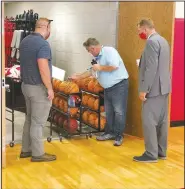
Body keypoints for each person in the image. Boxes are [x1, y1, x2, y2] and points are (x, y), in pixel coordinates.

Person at [70, 38, 129, 146]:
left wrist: (100, 67)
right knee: (109, 111)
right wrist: (78, 77)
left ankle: (119, 135)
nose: (89, 53)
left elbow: (114, 66)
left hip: (119, 86)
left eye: (89, 50)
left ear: (93, 48)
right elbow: (91, 71)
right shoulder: (96, 57)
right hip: (107, 88)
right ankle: (109, 133)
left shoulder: (109, 51)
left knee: (119, 112)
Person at [133, 19, 171, 162]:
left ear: (145, 29)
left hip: (153, 90)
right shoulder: (163, 41)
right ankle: (161, 152)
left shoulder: (151, 42)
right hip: (164, 88)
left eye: (139, 31)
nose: (139, 34)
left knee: (149, 122)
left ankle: (150, 154)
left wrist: (144, 89)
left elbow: (151, 69)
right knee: (161, 122)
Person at [19, 18, 56, 162]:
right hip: (38, 89)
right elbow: (43, 67)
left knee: (29, 119)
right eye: (50, 28)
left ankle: (26, 150)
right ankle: (38, 154)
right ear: (46, 27)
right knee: (38, 122)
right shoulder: (43, 44)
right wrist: (50, 88)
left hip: (26, 86)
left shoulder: (25, 41)